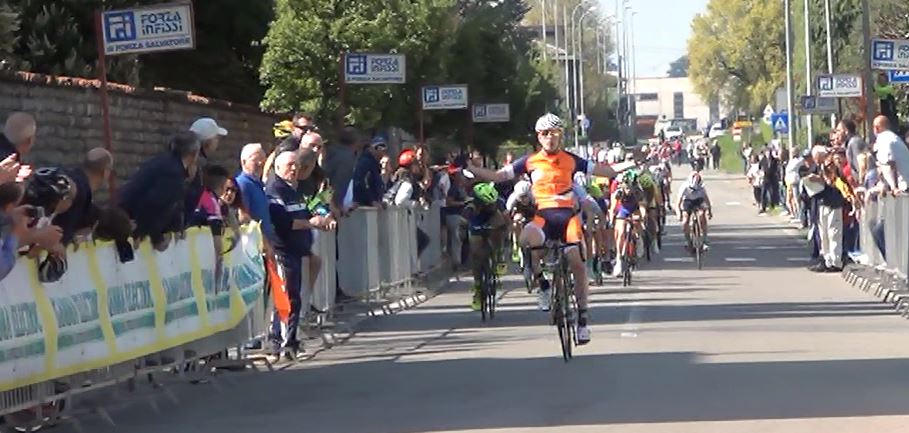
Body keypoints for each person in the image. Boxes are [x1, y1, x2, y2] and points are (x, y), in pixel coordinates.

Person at [463, 113, 627, 345]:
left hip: (568, 217)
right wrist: (472, 168)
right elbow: (498, 176)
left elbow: (604, 171)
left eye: (555, 133)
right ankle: (543, 284)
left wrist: (629, 164)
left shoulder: (572, 159)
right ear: (539, 137)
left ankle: (582, 321)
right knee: (524, 241)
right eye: (545, 133)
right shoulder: (529, 161)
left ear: (561, 135)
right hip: (542, 217)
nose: (550, 137)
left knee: (577, 263)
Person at [119, 132, 200, 251]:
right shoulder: (173, 174)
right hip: (129, 221)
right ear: (193, 154)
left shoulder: (165, 162)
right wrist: (155, 237)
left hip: (127, 215)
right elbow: (154, 204)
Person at [463, 182, 507, 310]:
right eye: (488, 204)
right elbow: (464, 222)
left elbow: (506, 222)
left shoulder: (499, 203)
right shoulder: (471, 206)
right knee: (476, 252)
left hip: (493, 219)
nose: (491, 206)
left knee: (498, 229)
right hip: (477, 220)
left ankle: (499, 256)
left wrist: (504, 231)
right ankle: (478, 288)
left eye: (492, 203)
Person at [608, 170, 646, 277]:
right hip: (623, 211)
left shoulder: (638, 192)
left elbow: (642, 207)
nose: (629, 189)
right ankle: (619, 259)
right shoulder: (618, 193)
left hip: (635, 209)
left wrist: (642, 217)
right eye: (627, 187)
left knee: (637, 222)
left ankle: (638, 239)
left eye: (631, 187)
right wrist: (611, 220)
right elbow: (613, 208)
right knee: (620, 232)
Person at [676, 171, 713, 252]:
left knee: (702, 215)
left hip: (699, 200)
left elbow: (707, 200)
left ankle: (704, 238)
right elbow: (678, 203)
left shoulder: (702, 187)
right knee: (685, 221)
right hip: (688, 201)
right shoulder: (684, 187)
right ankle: (688, 240)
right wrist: (679, 213)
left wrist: (709, 211)